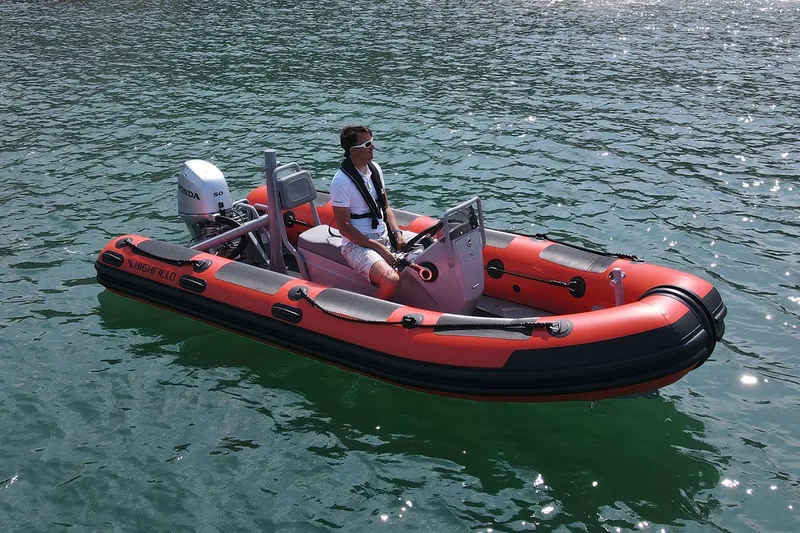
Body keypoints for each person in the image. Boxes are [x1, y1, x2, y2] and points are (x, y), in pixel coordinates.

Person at [330, 125, 406, 300]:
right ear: (353, 151)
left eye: (372, 142)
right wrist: (378, 247)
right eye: (367, 145)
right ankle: (374, 309)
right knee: (390, 280)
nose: (373, 147)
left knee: (431, 245)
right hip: (356, 244)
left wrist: (397, 232)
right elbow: (344, 227)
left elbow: (386, 207)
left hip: (384, 234)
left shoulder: (375, 169)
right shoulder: (341, 182)